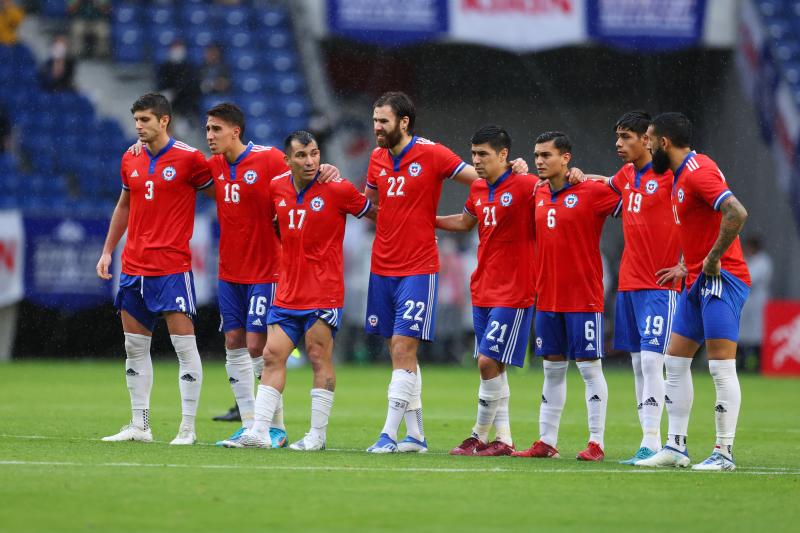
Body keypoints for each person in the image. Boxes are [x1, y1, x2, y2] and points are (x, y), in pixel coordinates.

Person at [360, 91, 528, 454]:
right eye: (374, 120)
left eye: (383, 121)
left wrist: (512, 170)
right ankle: (417, 436)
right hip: (382, 265)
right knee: (397, 351)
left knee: (405, 346)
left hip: (418, 266)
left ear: (403, 122)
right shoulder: (376, 159)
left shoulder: (432, 153)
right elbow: (370, 204)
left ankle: (388, 435)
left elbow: (481, 179)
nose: (376, 127)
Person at [227, 131, 377, 449]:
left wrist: (415, 231)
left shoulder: (338, 187)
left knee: (318, 357)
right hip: (287, 291)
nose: (310, 161)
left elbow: (375, 213)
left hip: (323, 292)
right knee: (270, 355)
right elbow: (276, 225)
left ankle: (317, 436)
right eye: (301, 156)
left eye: (314, 154)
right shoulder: (276, 187)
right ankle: (260, 432)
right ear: (288, 160)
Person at [96, 93, 212, 445]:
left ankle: (187, 428)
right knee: (134, 348)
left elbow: (224, 191)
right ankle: (139, 425)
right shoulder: (130, 159)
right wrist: (107, 252)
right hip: (133, 267)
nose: (139, 127)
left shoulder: (190, 159)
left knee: (184, 348)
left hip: (172, 267)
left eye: (145, 120)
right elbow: (124, 206)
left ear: (164, 121)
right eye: (136, 121)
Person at [636, 113, 750, 471]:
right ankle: (676, 447)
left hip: (722, 279)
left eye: (650, 139)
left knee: (719, 367)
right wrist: (690, 265)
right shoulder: (680, 175)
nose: (647, 145)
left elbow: (736, 212)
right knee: (675, 361)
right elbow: (704, 226)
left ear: (664, 142)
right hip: (697, 280)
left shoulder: (698, 170)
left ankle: (724, 453)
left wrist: (713, 259)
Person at [512, 131, 621, 462]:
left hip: (583, 297)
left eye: (547, 155)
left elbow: (635, 201)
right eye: (536, 155)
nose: (540, 161)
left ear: (566, 158)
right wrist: (517, 168)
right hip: (546, 297)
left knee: (589, 370)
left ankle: (597, 443)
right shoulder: (538, 193)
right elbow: (513, 179)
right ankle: (546, 441)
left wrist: (592, 176)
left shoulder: (592, 191)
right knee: (552, 371)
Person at [586, 111, 682, 464]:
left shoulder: (672, 174)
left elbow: (704, 213)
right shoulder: (627, 175)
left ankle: (656, 440)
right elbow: (607, 183)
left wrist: (687, 262)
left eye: (626, 136)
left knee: (656, 361)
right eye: (617, 137)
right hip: (628, 283)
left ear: (648, 139)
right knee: (640, 363)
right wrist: (580, 176)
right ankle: (649, 441)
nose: (618, 143)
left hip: (660, 285)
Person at [436, 125, 537, 457]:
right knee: (494, 366)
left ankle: (478, 434)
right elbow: (466, 223)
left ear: (504, 155)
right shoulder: (478, 188)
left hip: (515, 288)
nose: (476, 161)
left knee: (486, 361)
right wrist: (428, 219)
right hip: (484, 287)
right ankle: (504, 438)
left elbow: (561, 191)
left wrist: (577, 175)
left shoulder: (526, 185)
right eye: (473, 154)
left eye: (483, 154)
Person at [204, 102, 289, 448]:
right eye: (207, 129)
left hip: (266, 269)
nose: (209, 136)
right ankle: (251, 424)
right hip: (230, 272)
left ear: (235, 131)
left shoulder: (269, 159)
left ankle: (275, 427)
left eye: (216, 129)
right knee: (233, 342)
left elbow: (304, 175)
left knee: (258, 345)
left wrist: (326, 169)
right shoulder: (214, 166)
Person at [738, 236, 772, 372]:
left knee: (757, 334)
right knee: (742, 334)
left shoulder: (763, 261)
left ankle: (758, 364)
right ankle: (742, 362)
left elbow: (749, 278)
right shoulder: (748, 259)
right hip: (746, 302)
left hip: (757, 302)